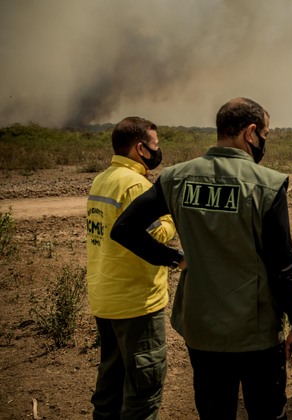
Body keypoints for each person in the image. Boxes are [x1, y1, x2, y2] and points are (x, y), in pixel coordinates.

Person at [110, 97, 292, 420]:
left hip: (202, 331)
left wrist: (174, 258)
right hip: (255, 333)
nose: (263, 143)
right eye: (265, 135)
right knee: (268, 412)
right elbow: (282, 266)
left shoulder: (176, 178)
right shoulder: (266, 185)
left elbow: (124, 229)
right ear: (251, 132)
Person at [86, 116, 176, 419]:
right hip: (136, 303)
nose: (158, 150)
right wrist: (169, 218)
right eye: (156, 145)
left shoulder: (103, 178)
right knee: (143, 389)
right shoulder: (136, 185)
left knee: (111, 384)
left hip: (106, 298)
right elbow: (155, 234)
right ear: (141, 148)